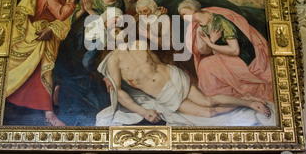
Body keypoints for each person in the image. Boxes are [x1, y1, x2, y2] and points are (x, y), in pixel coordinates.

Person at [98, 40, 270, 126]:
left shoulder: (140, 44)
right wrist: (143, 112)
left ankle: (249, 103)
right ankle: (246, 100)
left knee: (208, 101)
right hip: (164, 94)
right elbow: (119, 91)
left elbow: (158, 63)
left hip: (173, 77)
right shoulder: (113, 60)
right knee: (209, 113)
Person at [5, 0, 85, 126]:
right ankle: (49, 114)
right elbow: (61, 16)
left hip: (47, 38)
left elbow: (65, 20)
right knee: (41, 74)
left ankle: (50, 111)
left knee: (44, 73)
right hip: (36, 38)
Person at [52, 0, 127, 125]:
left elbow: (116, 24)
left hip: (100, 32)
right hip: (86, 30)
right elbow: (85, 18)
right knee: (79, 63)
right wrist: (87, 12)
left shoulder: (119, 5)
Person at [178, 0, 273, 103]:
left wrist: (210, 44)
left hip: (244, 58)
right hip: (226, 57)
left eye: (184, 14)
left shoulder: (219, 21)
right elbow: (204, 52)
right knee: (204, 65)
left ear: (192, 10)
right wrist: (212, 41)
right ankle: (217, 99)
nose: (183, 18)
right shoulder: (199, 27)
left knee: (206, 66)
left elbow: (235, 50)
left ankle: (217, 98)